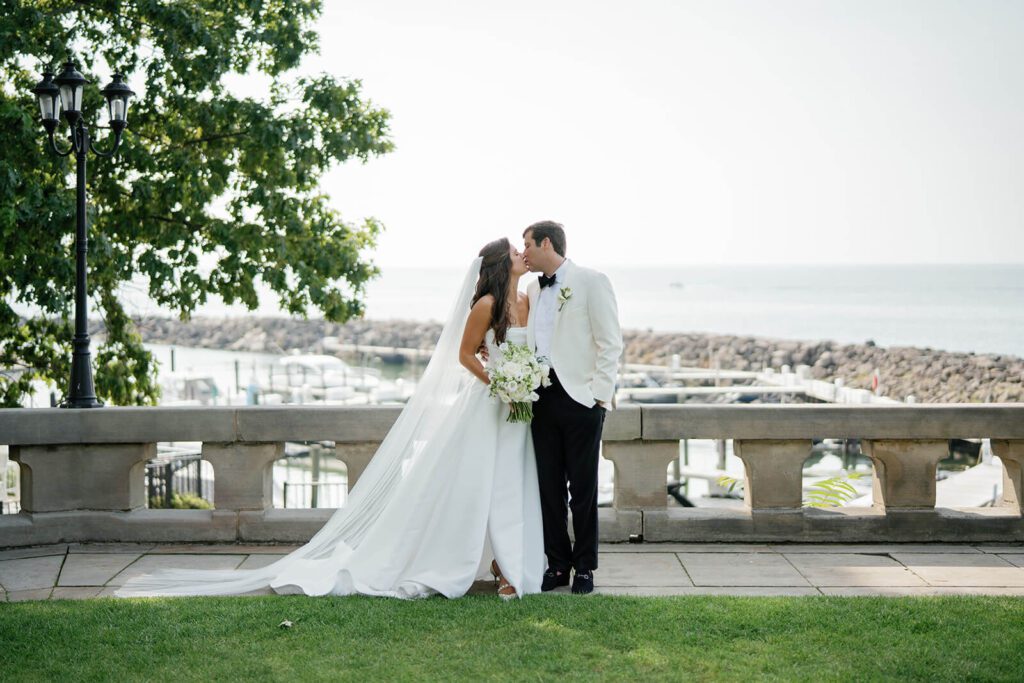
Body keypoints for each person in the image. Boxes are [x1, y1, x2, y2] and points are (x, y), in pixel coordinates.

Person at [115, 238, 545, 600]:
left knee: (511, 485)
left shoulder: (526, 300)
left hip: (516, 410)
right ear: (499, 264)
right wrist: (498, 384)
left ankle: (507, 562)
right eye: (514, 250)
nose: (521, 254)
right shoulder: (485, 305)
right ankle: (482, 564)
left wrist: (521, 385)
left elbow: (525, 352)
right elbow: (464, 355)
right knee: (475, 487)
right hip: (488, 404)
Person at [522, 220, 623, 595]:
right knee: (548, 487)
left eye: (528, 245)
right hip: (541, 398)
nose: (525, 253)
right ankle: (557, 564)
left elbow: (610, 341)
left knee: (583, 490)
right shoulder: (532, 288)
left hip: (582, 399)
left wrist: (599, 393)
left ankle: (585, 568)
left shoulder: (591, 281)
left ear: (546, 243)